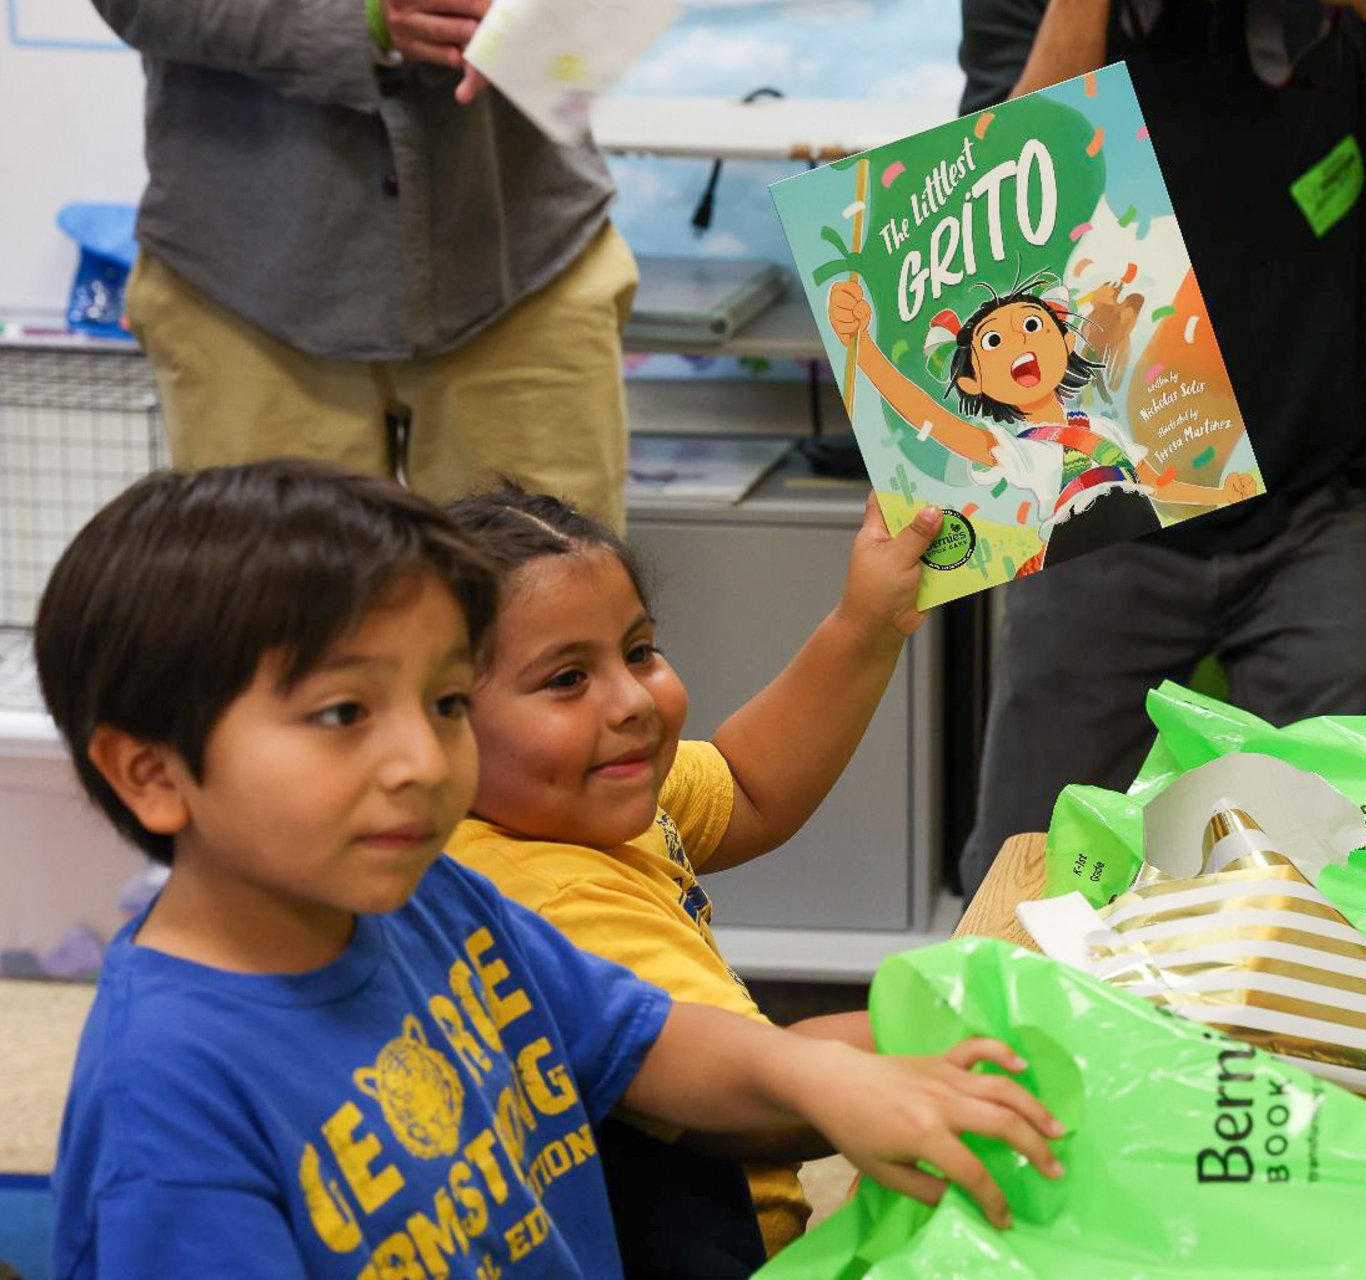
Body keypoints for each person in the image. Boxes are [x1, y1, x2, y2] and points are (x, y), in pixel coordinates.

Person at [35, 460, 1063, 1278]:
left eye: (442, 704)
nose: (424, 760)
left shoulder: (432, 895)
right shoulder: (166, 1102)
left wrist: (818, 1070)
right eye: (345, 713)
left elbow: (641, 1034)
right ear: (153, 774)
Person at [955, 0, 1366, 893]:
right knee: (1033, 872)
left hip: (1329, 492)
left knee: (1346, 883)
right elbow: (995, 238)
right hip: (1100, 486)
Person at [442, 483, 940, 1266]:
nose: (632, 700)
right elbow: (756, 1101)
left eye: (639, 651)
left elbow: (748, 787)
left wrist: (868, 621)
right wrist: (988, 1015)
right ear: (437, 724)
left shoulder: (581, 792)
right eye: (566, 679)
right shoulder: (545, 892)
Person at [92, 0, 635, 527]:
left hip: (521, 258)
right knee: (285, 611)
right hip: (250, 284)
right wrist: (352, 18)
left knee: (554, 604)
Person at [825, 273, 1259, 574]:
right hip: (1077, 549)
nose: (1020, 343)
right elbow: (932, 419)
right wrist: (861, 348)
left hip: (1145, 528)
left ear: (1065, 339)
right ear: (972, 381)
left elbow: (1158, 484)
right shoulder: (1015, 448)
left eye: (1033, 325)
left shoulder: (1103, 428)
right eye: (993, 341)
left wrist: (1222, 494)